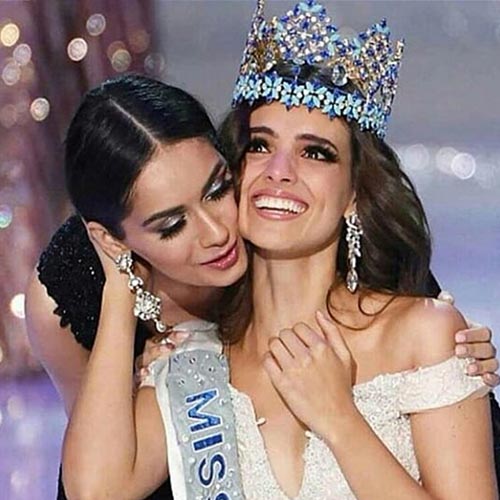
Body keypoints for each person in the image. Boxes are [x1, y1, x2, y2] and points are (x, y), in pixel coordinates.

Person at [57, 1, 498, 499]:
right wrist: (122, 274)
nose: (279, 171)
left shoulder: (424, 334)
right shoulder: (195, 360)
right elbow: (95, 492)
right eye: (261, 146)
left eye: (316, 153)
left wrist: (339, 419)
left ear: (354, 193)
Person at [25, 74, 249, 499]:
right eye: (172, 225)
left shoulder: (265, 221)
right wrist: (118, 298)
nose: (216, 232)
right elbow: (96, 482)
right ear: (110, 239)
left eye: (218, 190)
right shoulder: (67, 294)